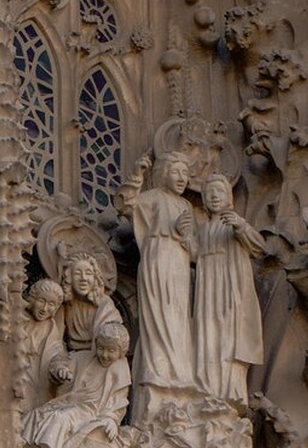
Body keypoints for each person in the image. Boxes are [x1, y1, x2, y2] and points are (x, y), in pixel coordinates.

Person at [116, 151, 195, 423]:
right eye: (176, 172)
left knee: (179, 319)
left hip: (180, 263)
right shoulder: (153, 198)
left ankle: (179, 375)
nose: (182, 178)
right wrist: (138, 173)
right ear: (163, 173)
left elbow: (195, 251)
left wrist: (186, 236)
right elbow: (126, 204)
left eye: (186, 173)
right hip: (158, 258)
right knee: (159, 315)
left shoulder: (186, 206)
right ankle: (159, 372)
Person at [194, 174, 265, 408]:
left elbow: (258, 247)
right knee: (207, 334)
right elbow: (192, 256)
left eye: (219, 192)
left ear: (229, 197)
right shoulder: (202, 230)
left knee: (228, 334)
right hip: (206, 291)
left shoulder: (234, 224)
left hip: (230, 288)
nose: (214, 196)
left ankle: (230, 392)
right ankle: (207, 389)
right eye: (209, 192)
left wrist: (241, 227)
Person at [22, 322, 131, 448]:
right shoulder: (84, 358)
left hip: (89, 412)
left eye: (111, 350)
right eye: (101, 348)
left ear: (122, 351)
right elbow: (61, 360)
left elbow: (118, 401)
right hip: (66, 404)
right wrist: (60, 370)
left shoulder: (120, 369)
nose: (105, 355)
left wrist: (112, 419)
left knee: (60, 418)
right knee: (36, 414)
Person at [56, 250, 123, 353]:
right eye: (77, 273)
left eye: (88, 273)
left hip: (100, 357)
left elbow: (114, 340)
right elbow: (56, 341)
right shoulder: (64, 306)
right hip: (72, 357)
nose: (83, 278)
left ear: (95, 278)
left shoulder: (105, 304)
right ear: (69, 278)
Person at [23, 279, 66, 409]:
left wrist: (59, 368)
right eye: (41, 301)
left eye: (51, 304)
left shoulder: (51, 328)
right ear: (32, 299)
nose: (44, 308)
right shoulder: (20, 319)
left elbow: (55, 353)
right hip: (17, 373)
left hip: (37, 378)